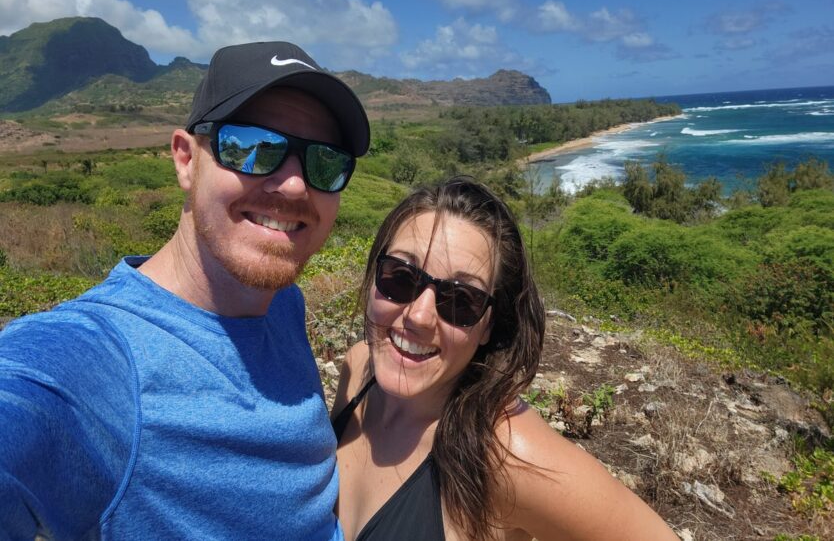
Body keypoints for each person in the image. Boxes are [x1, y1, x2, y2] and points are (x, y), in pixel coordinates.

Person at [0, 41, 369, 540]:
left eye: (324, 162)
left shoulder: (283, 301)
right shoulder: (94, 365)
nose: (296, 186)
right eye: (253, 147)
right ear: (185, 159)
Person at [331, 177, 679, 541]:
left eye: (460, 300)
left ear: (487, 327)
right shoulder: (357, 371)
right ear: (375, 276)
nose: (419, 316)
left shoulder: (504, 453)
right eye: (401, 277)